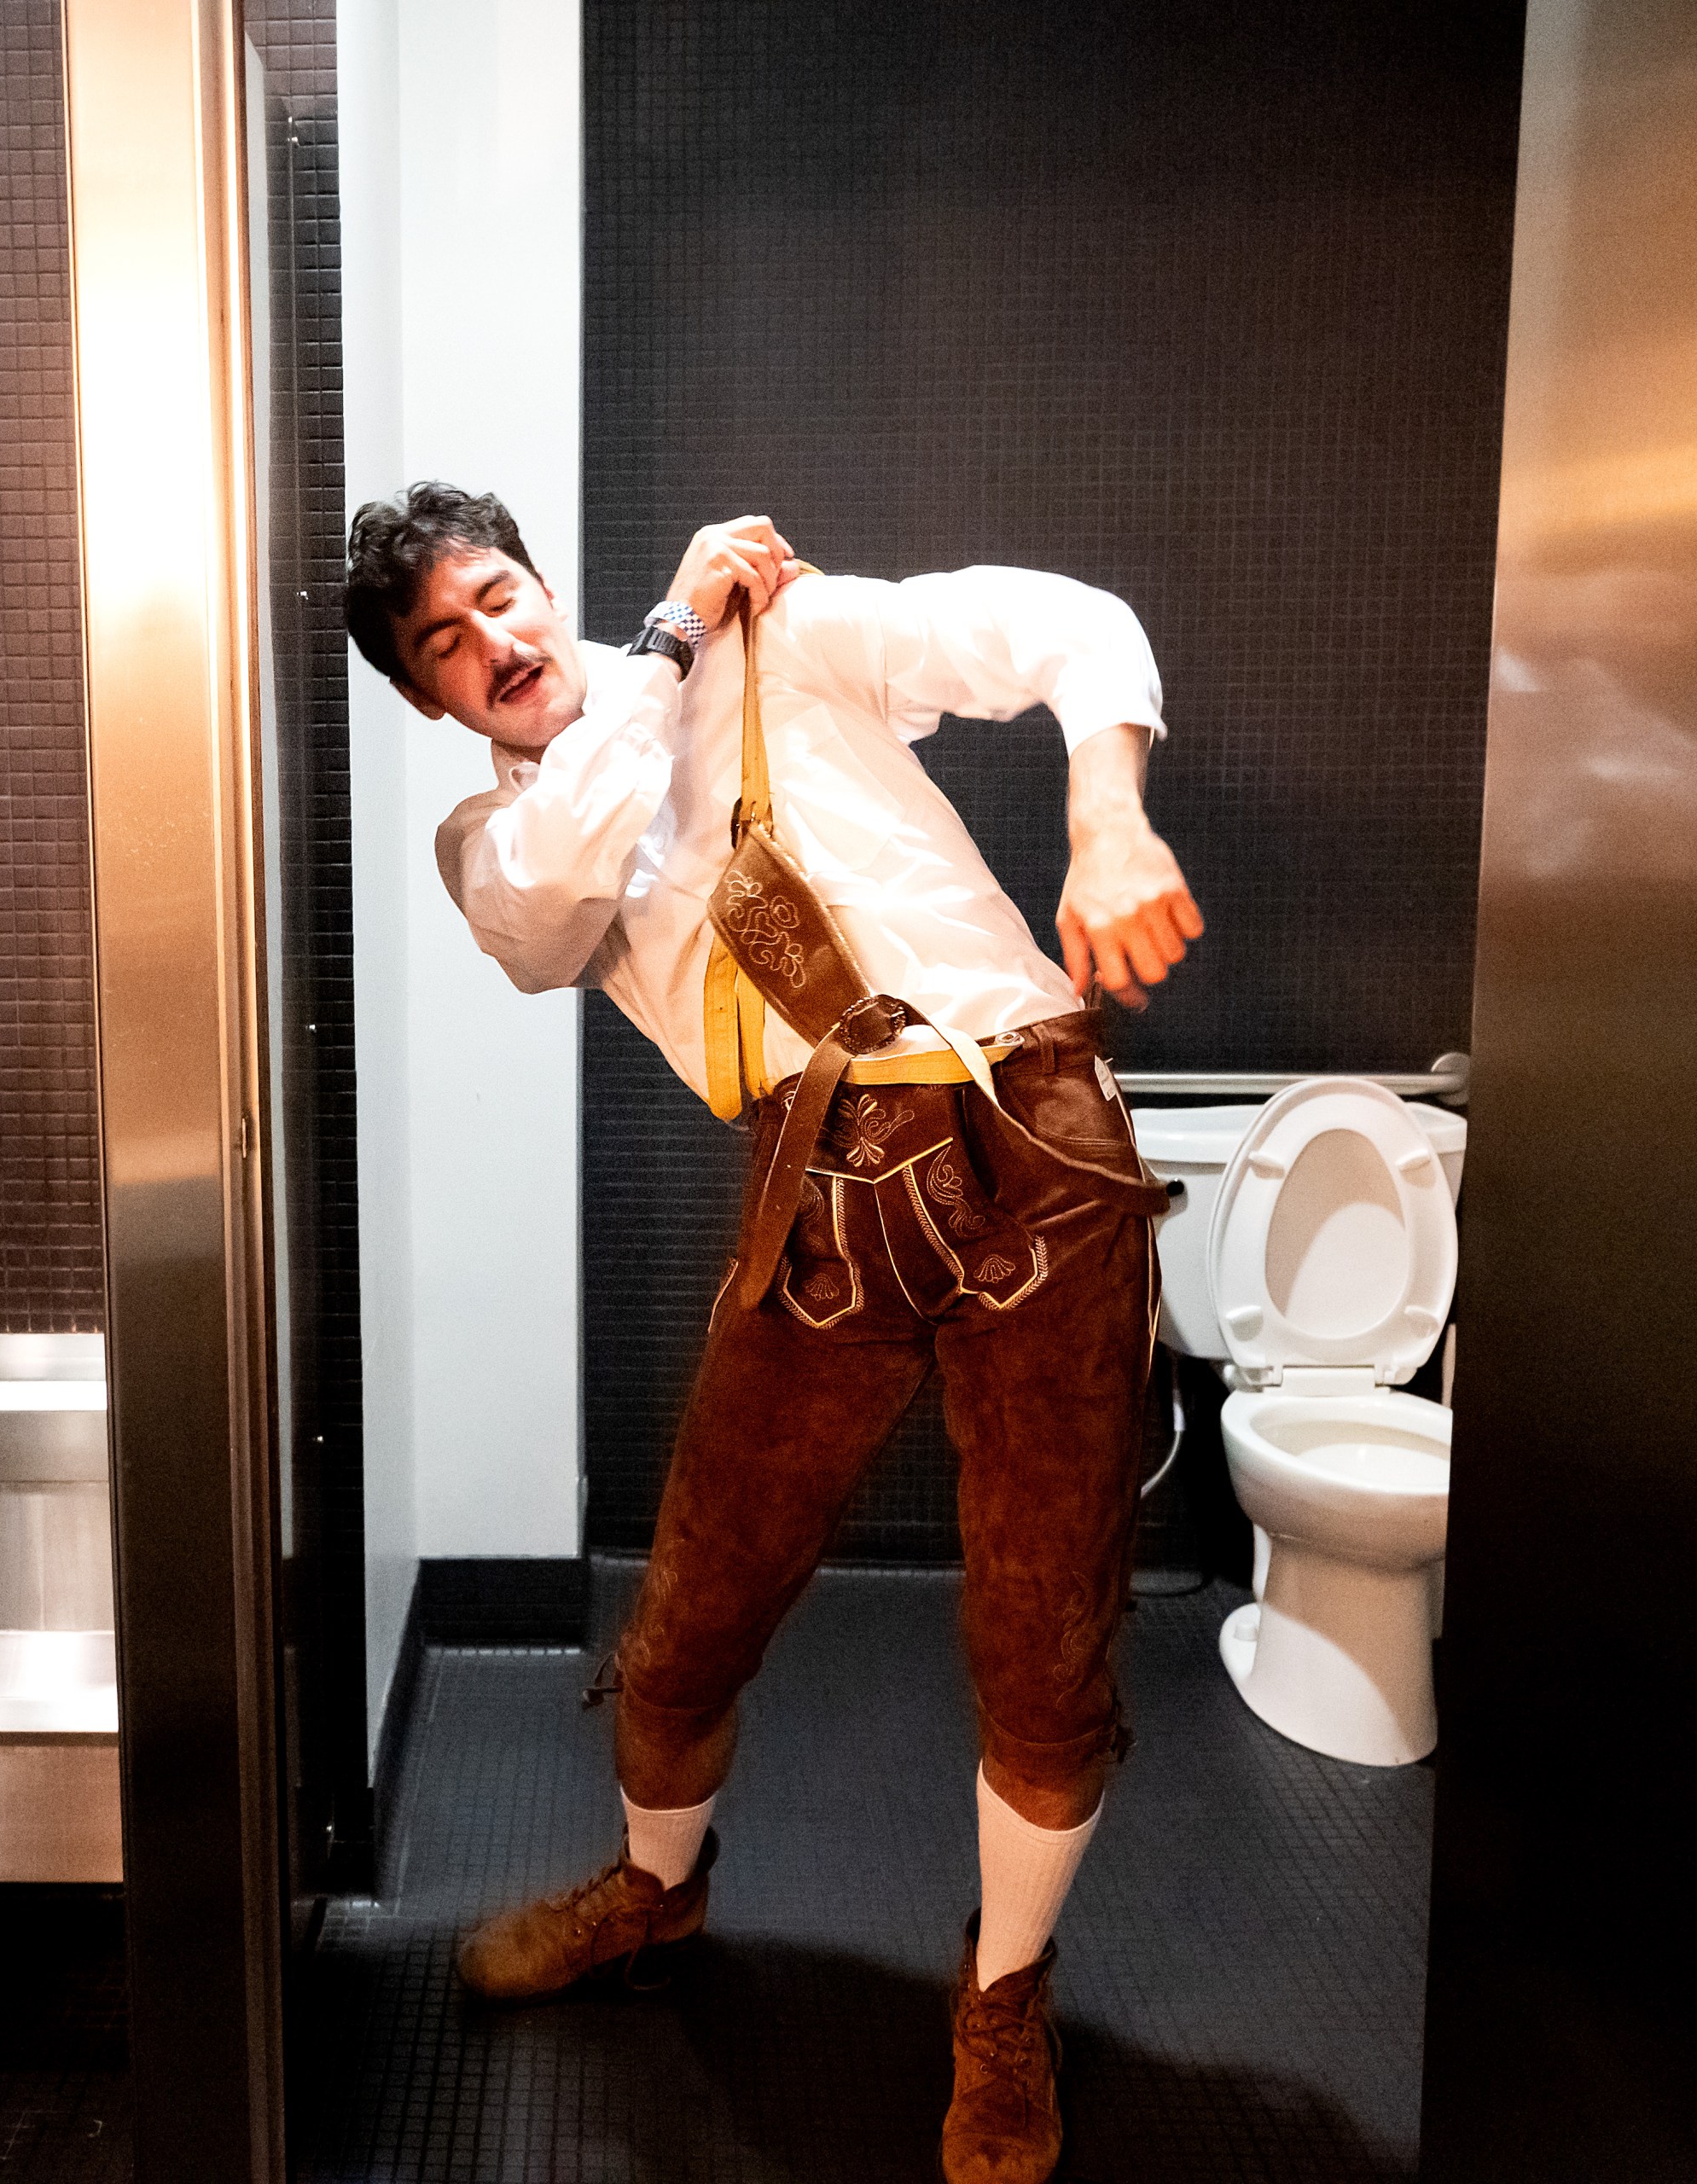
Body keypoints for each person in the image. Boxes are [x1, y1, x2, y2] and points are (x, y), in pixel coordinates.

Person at [345, 481, 1204, 2184]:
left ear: (537, 580)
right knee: (687, 1614)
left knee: (1042, 1639)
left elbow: (1067, 622)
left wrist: (1108, 816)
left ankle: (1003, 1996)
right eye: (445, 642)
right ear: (428, 699)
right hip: (819, 1187)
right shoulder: (494, 840)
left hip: (1031, 1139)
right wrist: (661, 644)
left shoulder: (787, 639)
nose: (497, 641)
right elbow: (545, 916)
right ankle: (656, 1893)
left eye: (500, 594)